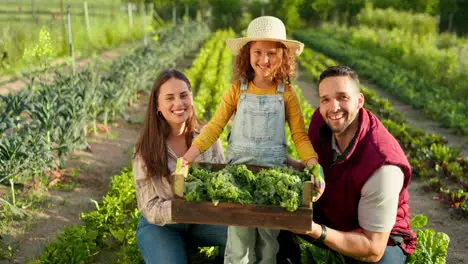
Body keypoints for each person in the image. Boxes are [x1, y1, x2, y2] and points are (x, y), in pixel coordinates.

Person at [182, 16, 319, 264]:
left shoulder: (287, 94)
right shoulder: (237, 90)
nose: (264, 60)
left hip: (273, 179)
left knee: (268, 244)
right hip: (237, 178)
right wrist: (189, 155)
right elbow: (215, 126)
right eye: (258, 52)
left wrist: (312, 163)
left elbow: (299, 136)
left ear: (284, 57)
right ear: (247, 54)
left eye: (272, 53)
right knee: (239, 242)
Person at [291, 65, 417, 263]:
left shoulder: (382, 166)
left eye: (342, 97)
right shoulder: (321, 122)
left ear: (359, 101)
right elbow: (316, 170)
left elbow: (372, 248)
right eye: (325, 99)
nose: (333, 108)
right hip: (332, 217)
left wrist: (315, 230)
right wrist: (281, 161)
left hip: (374, 238)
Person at [133, 69, 227, 264]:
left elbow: (222, 183)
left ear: (191, 98)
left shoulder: (207, 138)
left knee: (245, 237)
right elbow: (149, 207)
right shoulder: (146, 149)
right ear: (157, 106)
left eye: (184, 95)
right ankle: (171, 247)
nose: (178, 104)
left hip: (203, 222)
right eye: (169, 98)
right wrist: (184, 210)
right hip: (161, 226)